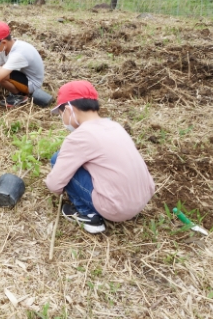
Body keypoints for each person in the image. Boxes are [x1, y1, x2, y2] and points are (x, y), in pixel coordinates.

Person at [45, 81, 155, 234]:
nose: (62, 119)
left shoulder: (80, 137)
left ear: (69, 110)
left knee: (57, 159)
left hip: (116, 208)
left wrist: (51, 178)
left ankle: (89, 215)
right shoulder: (115, 126)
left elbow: (54, 185)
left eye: (61, 114)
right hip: (142, 199)